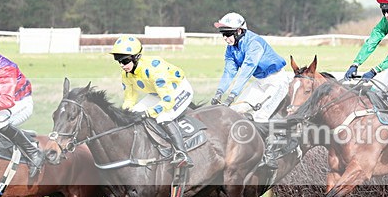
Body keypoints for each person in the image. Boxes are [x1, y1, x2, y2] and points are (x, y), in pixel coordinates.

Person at [212, 12, 290, 169]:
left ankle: (269, 153)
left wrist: (232, 95)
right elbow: (229, 71)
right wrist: (219, 94)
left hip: (277, 81)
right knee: (235, 110)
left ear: (239, 31)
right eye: (223, 34)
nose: (225, 38)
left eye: (228, 34)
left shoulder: (254, 43)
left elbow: (247, 70)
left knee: (261, 116)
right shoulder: (231, 48)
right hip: (260, 81)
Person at [110, 35, 194, 167]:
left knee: (163, 117)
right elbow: (130, 98)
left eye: (125, 60)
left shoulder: (154, 68)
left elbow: (167, 101)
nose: (122, 65)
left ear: (136, 57)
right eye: (118, 60)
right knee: (133, 112)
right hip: (157, 94)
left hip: (178, 90)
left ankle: (182, 154)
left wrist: (148, 113)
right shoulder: (126, 74)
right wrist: (124, 115)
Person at [0, 32, 45, 177]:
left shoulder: (5, 67)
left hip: (20, 103)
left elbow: (7, 100)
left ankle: (34, 153)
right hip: (2, 104)